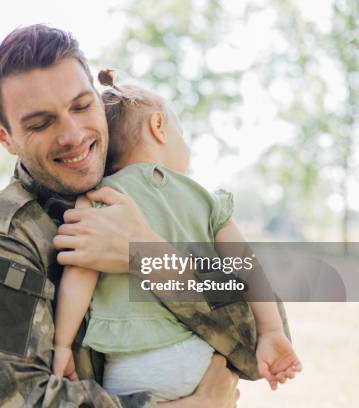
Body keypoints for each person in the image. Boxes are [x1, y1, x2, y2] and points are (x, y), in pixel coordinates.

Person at [0, 24, 241, 407]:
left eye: (81, 106)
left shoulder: (162, 199)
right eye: (41, 123)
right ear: (3, 136)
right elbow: (14, 399)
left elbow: (262, 341)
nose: (73, 135)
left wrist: (149, 256)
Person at [51, 71, 302, 400]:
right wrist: (271, 331)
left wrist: (62, 344)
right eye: (181, 132)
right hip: (198, 358)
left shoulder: (101, 199)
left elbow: (80, 270)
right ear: (158, 126)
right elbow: (246, 265)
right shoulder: (203, 198)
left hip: (131, 370)